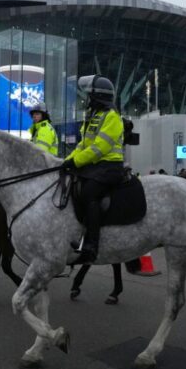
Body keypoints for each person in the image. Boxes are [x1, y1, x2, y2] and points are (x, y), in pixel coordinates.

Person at [61, 75, 126, 264]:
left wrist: (76, 162)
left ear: (98, 97)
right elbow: (83, 145)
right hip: (95, 166)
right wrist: (66, 162)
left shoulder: (112, 117)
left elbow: (99, 148)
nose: (86, 99)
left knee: (90, 192)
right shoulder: (94, 117)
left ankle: (92, 244)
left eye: (89, 96)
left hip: (110, 166)